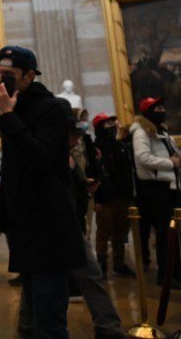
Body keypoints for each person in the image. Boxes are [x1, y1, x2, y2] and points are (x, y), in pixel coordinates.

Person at [0, 45, 85, 339]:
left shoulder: (52, 109)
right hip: (24, 231)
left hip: (50, 230)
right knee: (31, 320)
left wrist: (8, 116)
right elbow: (12, 173)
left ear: (28, 76)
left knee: (50, 323)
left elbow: (38, 157)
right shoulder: (13, 112)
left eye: (9, 75)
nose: (1, 81)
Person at [60, 106, 124, 339]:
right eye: (72, 133)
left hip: (71, 223)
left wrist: (85, 187)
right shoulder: (48, 155)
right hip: (58, 226)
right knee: (44, 283)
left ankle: (109, 328)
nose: (77, 137)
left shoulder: (68, 153)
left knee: (89, 275)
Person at [129, 96, 181, 290]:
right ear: (148, 112)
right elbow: (142, 158)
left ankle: (176, 270)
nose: (161, 110)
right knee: (165, 231)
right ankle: (166, 275)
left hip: (170, 187)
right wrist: (170, 163)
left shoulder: (162, 130)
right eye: (157, 108)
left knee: (173, 232)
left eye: (162, 107)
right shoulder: (142, 131)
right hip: (156, 187)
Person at [91, 112, 135, 278]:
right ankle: (101, 264)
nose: (112, 126)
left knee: (120, 233)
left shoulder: (119, 146)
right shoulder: (96, 149)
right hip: (105, 199)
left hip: (122, 196)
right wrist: (97, 199)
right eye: (107, 124)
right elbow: (95, 174)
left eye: (112, 123)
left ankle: (119, 263)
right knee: (104, 233)